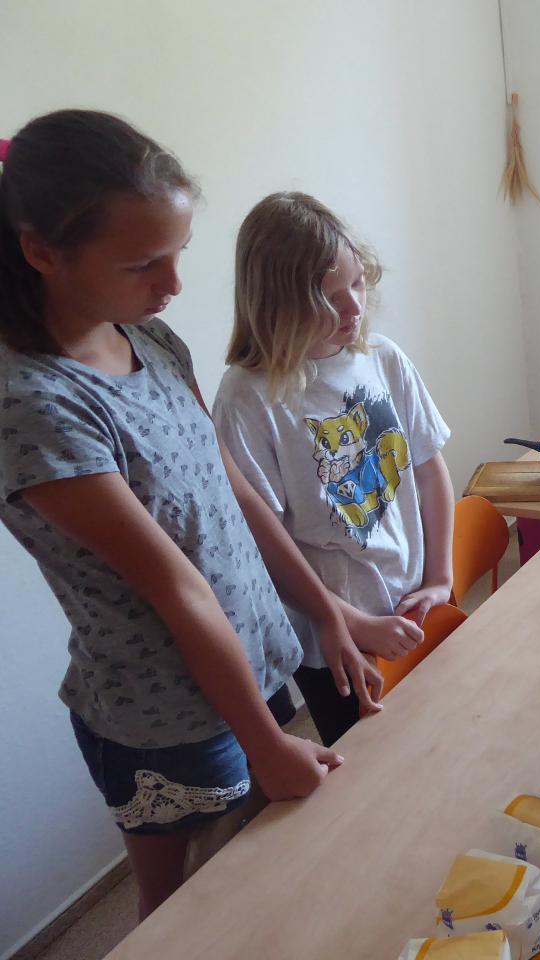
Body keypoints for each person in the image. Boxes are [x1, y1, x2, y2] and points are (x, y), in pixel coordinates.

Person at [0, 110, 384, 918]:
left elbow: (231, 490)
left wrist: (327, 611)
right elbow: (175, 586)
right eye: (144, 263)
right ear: (42, 252)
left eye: (177, 253)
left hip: (250, 669)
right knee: (186, 913)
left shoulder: (151, 339)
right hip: (166, 717)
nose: (172, 285)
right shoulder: (37, 405)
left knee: (266, 885)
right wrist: (265, 744)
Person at [214, 192, 453, 746]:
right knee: (374, 764)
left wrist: (439, 578)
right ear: (277, 303)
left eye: (358, 284)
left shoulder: (383, 358)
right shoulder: (248, 398)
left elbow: (428, 469)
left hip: (415, 601)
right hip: (336, 637)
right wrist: (354, 622)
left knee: (438, 739)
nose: (354, 308)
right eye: (329, 295)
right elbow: (264, 546)